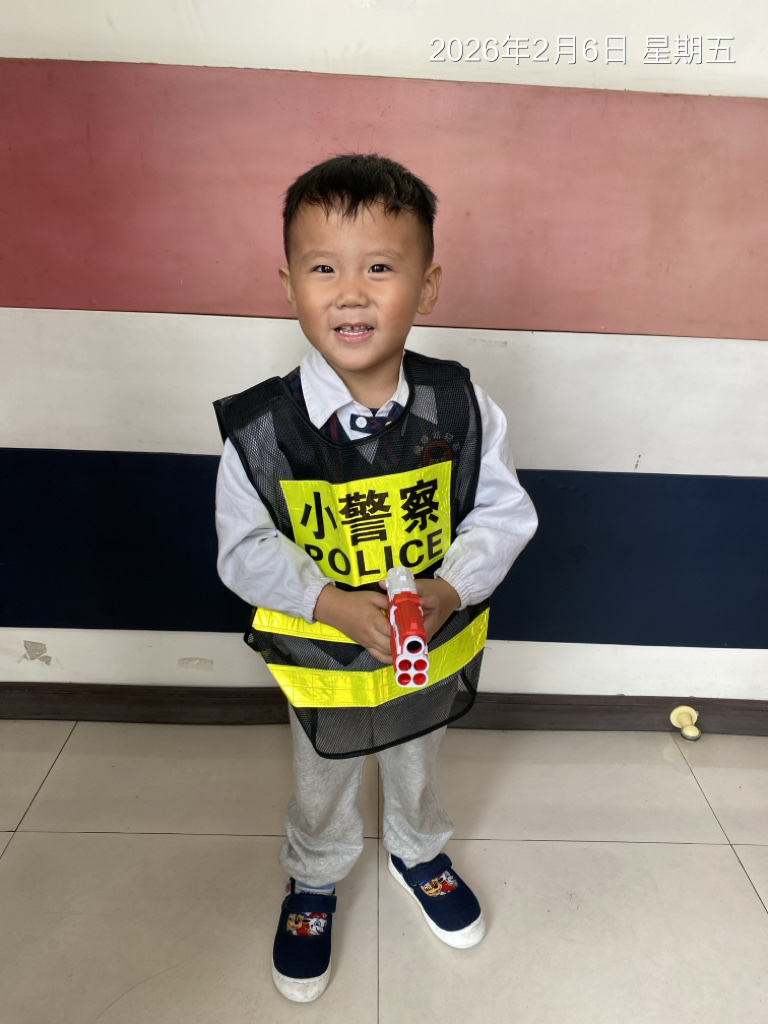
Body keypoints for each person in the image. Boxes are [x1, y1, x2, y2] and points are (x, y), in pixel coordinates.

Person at [214, 153, 537, 1002]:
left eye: (381, 268)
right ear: (289, 284)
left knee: (417, 753)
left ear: (427, 288)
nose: (351, 294)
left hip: (429, 644)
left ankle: (416, 850)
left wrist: (449, 589)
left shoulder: (462, 408)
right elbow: (243, 547)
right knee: (321, 771)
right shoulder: (264, 429)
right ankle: (315, 874)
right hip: (322, 658)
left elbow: (503, 514)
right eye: (324, 268)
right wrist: (326, 602)